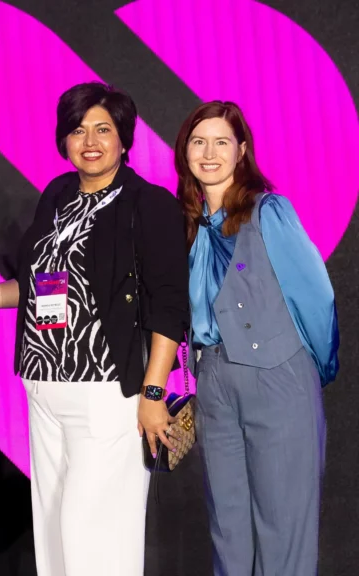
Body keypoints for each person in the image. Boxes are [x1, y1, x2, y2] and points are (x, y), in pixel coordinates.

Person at [0, 82, 189, 576]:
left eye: (103, 129)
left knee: (94, 538)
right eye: (78, 130)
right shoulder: (57, 195)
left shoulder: (148, 203)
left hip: (107, 393)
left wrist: (153, 392)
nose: (90, 141)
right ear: (64, 139)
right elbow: (40, 286)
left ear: (124, 138)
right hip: (43, 386)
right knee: (54, 537)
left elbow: (168, 307)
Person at [175, 101, 338, 576]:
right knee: (227, 532)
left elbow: (317, 297)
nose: (209, 153)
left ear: (241, 150)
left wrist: (310, 371)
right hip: (213, 382)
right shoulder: (187, 224)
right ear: (185, 151)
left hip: (278, 375)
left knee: (283, 530)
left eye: (221, 142)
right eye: (199, 142)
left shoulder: (270, 211)